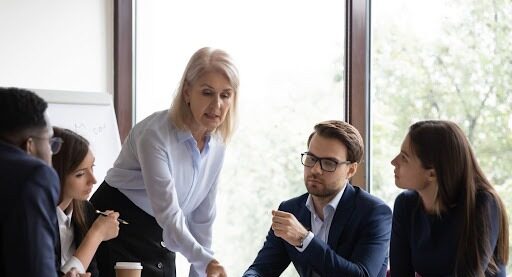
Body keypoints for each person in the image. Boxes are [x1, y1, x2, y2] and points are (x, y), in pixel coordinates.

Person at [90, 47, 239, 277]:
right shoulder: (155, 135)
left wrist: (203, 270)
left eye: (225, 95)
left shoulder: (218, 143)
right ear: (187, 92)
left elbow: (202, 219)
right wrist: (206, 262)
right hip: (117, 229)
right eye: (207, 93)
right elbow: (168, 214)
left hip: (164, 234)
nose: (217, 105)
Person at [243, 120, 392, 277]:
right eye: (311, 158)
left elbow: (361, 275)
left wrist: (304, 239)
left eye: (328, 163)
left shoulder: (374, 213)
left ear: (351, 170)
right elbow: (261, 269)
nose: (315, 169)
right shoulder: (291, 209)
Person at [389, 120, 509, 277]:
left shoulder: (483, 204)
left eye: (404, 157)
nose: (393, 162)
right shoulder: (405, 204)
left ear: (432, 173)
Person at [0, 87, 88, 277]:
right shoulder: (33, 175)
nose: (51, 152)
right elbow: (35, 267)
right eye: (50, 142)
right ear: (29, 146)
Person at [52, 127, 120, 276]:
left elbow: (93, 272)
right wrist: (97, 234)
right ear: (55, 175)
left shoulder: (84, 210)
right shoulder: (36, 218)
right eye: (80, 174)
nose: (93, 180)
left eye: (92, 167)